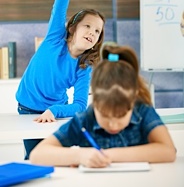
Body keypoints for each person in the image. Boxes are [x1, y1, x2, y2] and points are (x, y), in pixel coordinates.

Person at [15, 0, 105, 159]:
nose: (92, 32)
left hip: (56, 113)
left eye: (97, 31)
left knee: (56, 157)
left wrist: (54, 111)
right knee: (34, 157)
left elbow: (80, 105)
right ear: (73, 28)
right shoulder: (55, 37)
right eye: (88, 26)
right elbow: (59, 6)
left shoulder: (85, 66)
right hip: (27, 109)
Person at [30, 44, 176, 167]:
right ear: (95, 103)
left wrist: (108, 155)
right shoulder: (85, 118)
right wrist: (79, 155)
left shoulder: (143, 112)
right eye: (105, 115)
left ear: (133, 101)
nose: (113, 124)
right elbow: (37, 155)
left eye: (120, 115)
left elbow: (168, 151)